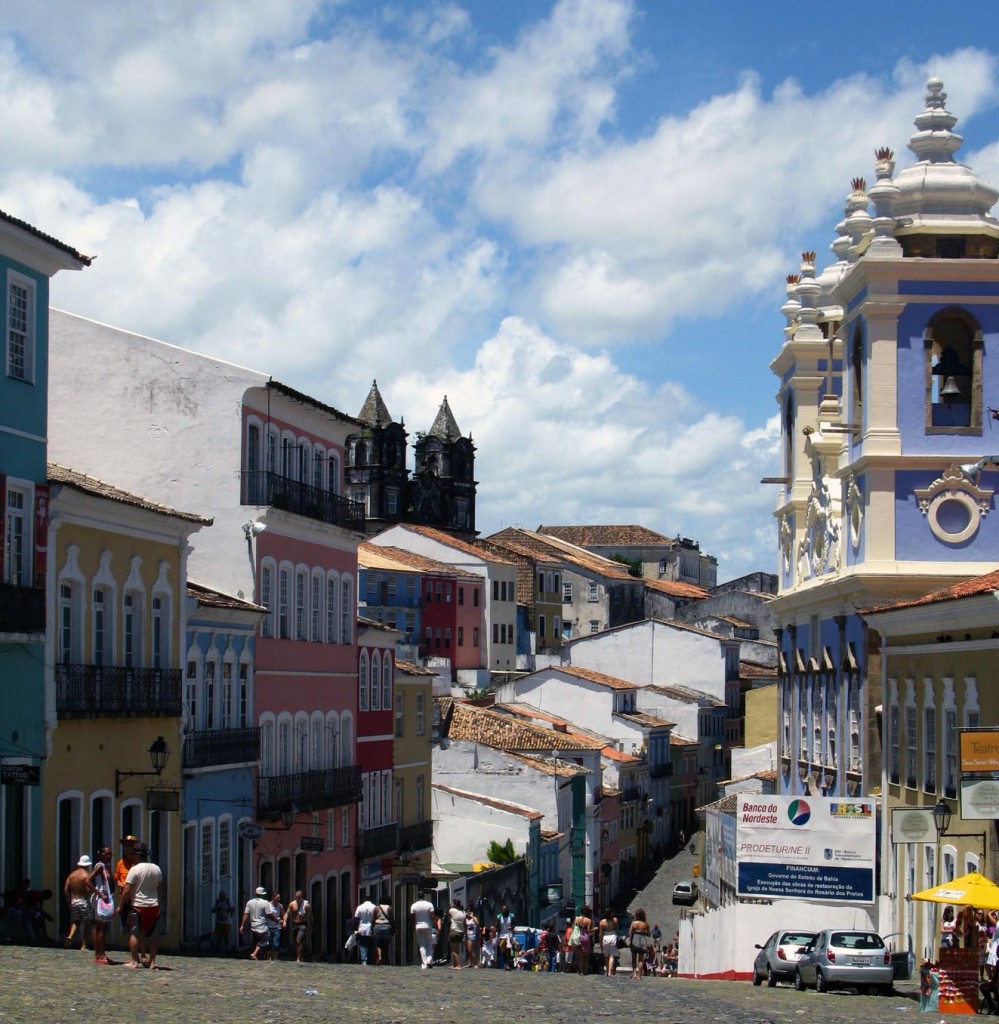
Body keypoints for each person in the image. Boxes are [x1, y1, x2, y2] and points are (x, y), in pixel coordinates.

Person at [121, 841, 162, 969]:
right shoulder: (156, 868)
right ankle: (153, 962)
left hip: (138, 906)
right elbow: (160, 888)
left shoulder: (135, 869)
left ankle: (134, 960)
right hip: (153, 906)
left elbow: (127, 889)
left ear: (138, 856)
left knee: (134, 932)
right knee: (152, 934)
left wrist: (121, 904)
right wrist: (158, 902)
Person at [87, 847, 116, 965]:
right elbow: (88, 881)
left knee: (101, 927)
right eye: (107, 854)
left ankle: (99, 953)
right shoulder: (100, 866)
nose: (109, 856)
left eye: (111, 854)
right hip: (100, 899)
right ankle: (100, 954)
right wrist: (100, 894)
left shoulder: (107, 867)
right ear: (101, 854)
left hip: (106, 898)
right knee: (101, 928)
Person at [64, 854, 95, 950]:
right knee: (88, 923)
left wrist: (69, 902)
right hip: (83, 900)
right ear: (87, 865)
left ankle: (70, 936)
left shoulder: (72, 875)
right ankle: (84, 944)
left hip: (74, 901)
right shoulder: (86, 875)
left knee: (76, 921)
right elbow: (88, 890)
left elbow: (65, 889)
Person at [241, 886, 271, 960]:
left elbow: (246, 914)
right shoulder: (265, 902)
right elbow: (269, 914)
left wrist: (242, 925)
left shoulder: (250, 902)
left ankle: (259, 955)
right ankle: (254, 954)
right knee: (263, 941)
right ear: (262, 894)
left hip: (253, 925)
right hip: (262, 925)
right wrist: (277, 920)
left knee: (256, 941)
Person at [410, 894, 435, 969]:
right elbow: (432, 916)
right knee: (429, 943)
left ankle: (424, 964)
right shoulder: (429, 904)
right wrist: (433, 924)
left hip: (418, 926)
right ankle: (429, 959)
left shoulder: (414, 905)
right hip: (427, 925)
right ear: (424, 896)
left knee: (422, 945)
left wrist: (413, 925)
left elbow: (412, 916)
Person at [284, 890, 310, 963]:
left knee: (298, 940)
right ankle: (300, 955)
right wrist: (285, 921)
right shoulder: (292, 904)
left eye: (299, 897)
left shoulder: (306, 905)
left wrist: (311, 927)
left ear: (302, 897)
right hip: (295, 924)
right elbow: (287, 913)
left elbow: (310, 917)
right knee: (296, 942)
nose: (297, 898)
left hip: (303, 924)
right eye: (296, 897)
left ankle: (299, 958)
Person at [628, 907, 652, 979]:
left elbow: (630, 933)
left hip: (635, 939)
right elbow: (649, 934)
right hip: (642, 940)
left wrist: (630, 941)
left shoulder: (634, 923)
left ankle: (634, 973)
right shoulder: (645, 924)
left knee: (634, 958)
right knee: (641, 959)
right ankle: (640, 974)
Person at [354, 894, 377, 966]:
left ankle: (364, 960)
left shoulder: (360, 907)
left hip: (362, 928)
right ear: (371, 899)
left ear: (364, 899)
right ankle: (370, 960)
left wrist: (355, 929)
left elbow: (356, 919)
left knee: (362, 945)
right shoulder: (374, 907)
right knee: (371, 945)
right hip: (371, 928)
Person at [572, 905, 594, 976]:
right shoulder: (589, 920)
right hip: (585, 937)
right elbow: (589, 930)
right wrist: (595, 929)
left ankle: (581, 971)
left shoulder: (577, 918)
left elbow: (573, 928)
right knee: (586, 956)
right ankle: (585, 971)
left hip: (578, 937)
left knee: (580, 956)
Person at [598, 909, 620, 976]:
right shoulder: (615, 920)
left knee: (606, 955)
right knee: (612, 955)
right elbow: (617, 929)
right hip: (613, 936)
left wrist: (600, 942)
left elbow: (600, 934)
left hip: (605, 937)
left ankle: (607, 971)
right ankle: (610, 971)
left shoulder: (602, 922)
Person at [373, 896, 394, 965]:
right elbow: (391, 919)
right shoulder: (389, 908)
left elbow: (373, 919)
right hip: (387, 927)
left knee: (378, 944)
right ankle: (386, 959)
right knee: (386, 944)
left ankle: (379, 956)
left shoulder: (377, 908)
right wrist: (394, 928)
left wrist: (372, 928)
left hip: (377, 927)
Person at [211, 890, 234, 954]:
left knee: (227, 936)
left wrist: (226, 910)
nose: (222, 897)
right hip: (219, 922)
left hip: (227, 922)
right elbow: (212, 910)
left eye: (223, 896)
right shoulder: (217, 902)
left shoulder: (228, 901)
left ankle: (228, 949)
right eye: (221, 896)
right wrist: (218, 909)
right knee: (218, 936)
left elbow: (232, 909)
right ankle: (217, 949)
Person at [496, 903, 515, 970]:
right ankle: (505, 963)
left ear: (507, 910)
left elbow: (514, 925)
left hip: (509, 934)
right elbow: (497, 926)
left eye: (505, 910)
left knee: (508, 948)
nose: (504, 911)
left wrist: (512, 927)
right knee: (502, 949)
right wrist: (496, 935)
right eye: (502, 910)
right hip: (502, 934)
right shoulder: (499, 917)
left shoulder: (511, 916)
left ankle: (507, 964)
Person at [447, 898, 465, 969]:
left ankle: (458, 965)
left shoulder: (452, 910)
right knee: (457, 949)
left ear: (454, 904)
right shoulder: (463, 913)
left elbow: (449, 914)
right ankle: (454, 964)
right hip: (461, 932)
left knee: (454, 950)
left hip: (454, 931)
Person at [265, 892, 283, 961]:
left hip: (277, 927)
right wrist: (277, 920)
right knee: (269, 943)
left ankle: (275, 958)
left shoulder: (280, 906)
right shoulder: (268, 905)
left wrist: (283, 921)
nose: (279, 899)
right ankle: (268, 958)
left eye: (279, 898)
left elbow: (283, 914)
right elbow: (268, 915)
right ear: (273, 897)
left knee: (276, 943)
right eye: (278, 897)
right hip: (269, 926)